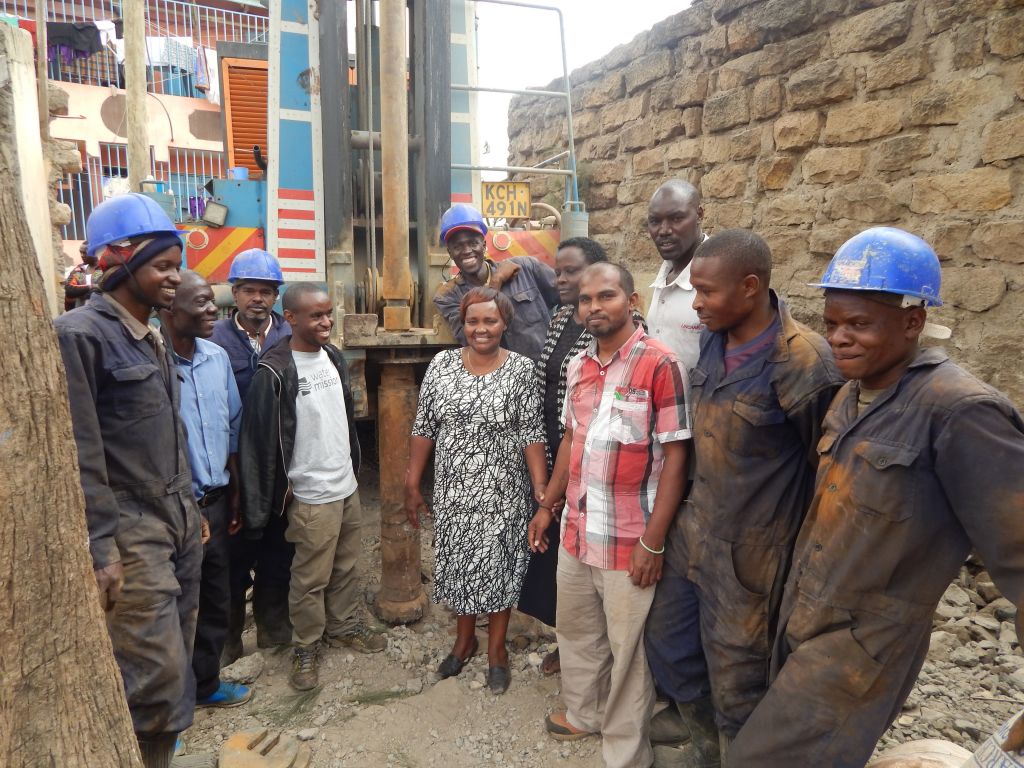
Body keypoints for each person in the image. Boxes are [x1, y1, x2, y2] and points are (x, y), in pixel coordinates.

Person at [728, 227, 1024, 768]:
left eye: (860, 324)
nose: (839, 338)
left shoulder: (960, 411)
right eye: (832, 323)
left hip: (864, 648)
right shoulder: (851, 394)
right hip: (805, 619)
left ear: (913, 322)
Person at [644, 230, 844, 768]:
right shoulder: (716, 336)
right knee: (669, 643)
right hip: (694, 531)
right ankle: (703, 741)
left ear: (750, 287)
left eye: (706, 292)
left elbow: (824, 472)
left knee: (739, 675)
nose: (697, 304)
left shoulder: (803, 364)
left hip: (752, 553)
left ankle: (735, 753)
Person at [54, 193, 202, 768]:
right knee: (152, 676)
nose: (176, 278)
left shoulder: (150, 334)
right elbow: (81, 452)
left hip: (176, 517)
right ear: (117, 261)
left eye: (176, 264)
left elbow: (170, 435)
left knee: (177, 655)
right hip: (130, 527)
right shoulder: (79, 335)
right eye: (163, 266)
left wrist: (190, 513)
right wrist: (101, 549)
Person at [530, 262, 692, 768]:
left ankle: (625, 752)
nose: (594, 307)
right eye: (585, 300)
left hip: (629, 538)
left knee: (629, 653)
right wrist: (547, 506)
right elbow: (572, 440)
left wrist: (653, 541)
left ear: (632, 300)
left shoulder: (659, 364)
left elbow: (676, 458)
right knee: (576, 631)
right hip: (578, 530)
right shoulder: (580, 366)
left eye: (606, 296)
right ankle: (583, 713)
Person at [238, 282, 383, 692]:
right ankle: (305, 646)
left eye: (328, 313)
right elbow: (260, 443)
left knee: (345, 565)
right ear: (292, 319)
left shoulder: (333, 357)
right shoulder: (275, 370)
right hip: (311, 495)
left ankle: (342, 626)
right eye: (316, 315)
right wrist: (269, 498)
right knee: (309, 577)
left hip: (345, 486)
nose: (326, 321)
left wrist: (352, 469)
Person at [406, 286, 548, 695]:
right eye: (473, 321)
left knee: (499, 569)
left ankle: (497, 651)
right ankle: (464, 640)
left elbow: (531, 433)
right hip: (454, 491)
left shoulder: (521, 369)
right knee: (460, 566)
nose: (480, 329)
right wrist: (411, 480)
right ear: (463, 324)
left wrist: (541, 491)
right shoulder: (443, 363)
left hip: (503, 491)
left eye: (490, 321)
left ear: (505, 323)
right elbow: (424, 426)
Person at [518, 236, 644, 677]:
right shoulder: (558, 317)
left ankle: (602, 650)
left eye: (572, 271)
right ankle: (567, 639)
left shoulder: (622, 326)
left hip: (593, 451)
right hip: (555, 442)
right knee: (555, 545)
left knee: (594, 550)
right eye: (559, 272)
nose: (562, 280)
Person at [159, 271, 252, 710]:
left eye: (211, 301)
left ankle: (207, 684)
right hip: (176, 511)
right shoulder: (152, 363)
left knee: (216, 597)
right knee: (175, 611)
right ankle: (169, 714)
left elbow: (231, 427)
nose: (213, 309)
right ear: (169, 311)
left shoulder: (216, 358)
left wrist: (234, 491)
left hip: (217, 501)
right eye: (200, 303)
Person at [210, 248, 293, 662]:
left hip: (280, 460)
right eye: (248, 291)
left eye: (265, 291)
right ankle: (227, 640)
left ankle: (273, 628)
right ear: (235, 294)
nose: (257, 299)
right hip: (235, 462)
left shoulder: (290, 337)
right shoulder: (214, 340)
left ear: (276, 296)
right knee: (234, 552)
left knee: (279, 548)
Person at [432, 203, 558, 360]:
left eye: (472, 243)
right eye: (458, 246)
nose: (466, 251)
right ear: (450, 252)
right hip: (501, 380)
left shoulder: (525, 267)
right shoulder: (448, 296)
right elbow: (471, 339)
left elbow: (569, 297)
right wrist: (496, 282)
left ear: (483, 245)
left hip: (544, 373)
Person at [646, 180, 708, 371]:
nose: (664, 231)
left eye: (676, 219)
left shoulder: (721, 275)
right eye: (655, 221)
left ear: (699, 215)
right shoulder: (665, 274)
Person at [64, 241, 102, 311]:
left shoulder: (102, 269)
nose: (82, 255)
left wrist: (80, 292)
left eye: (84, 253)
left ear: (93, 251)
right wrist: (92, 287)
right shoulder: (80, 270)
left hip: (100, 311)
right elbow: (69, 289)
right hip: (80, 313)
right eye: (80, 252)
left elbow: (104, 289)